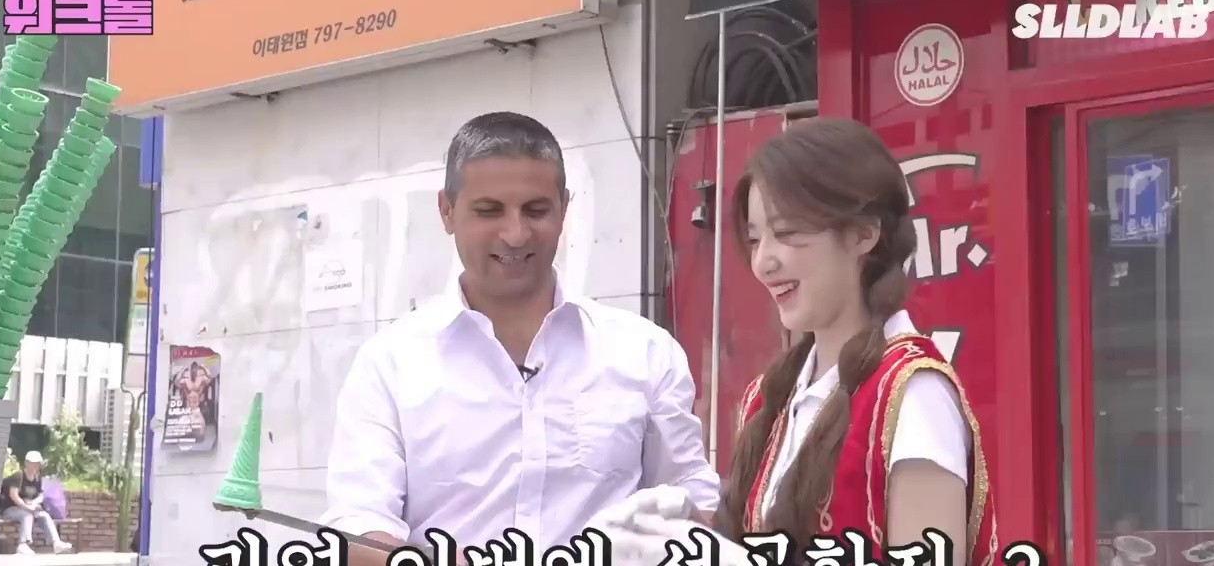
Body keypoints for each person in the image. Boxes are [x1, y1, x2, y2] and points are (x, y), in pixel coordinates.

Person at [593, 118, 999, 566]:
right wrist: (689, 535)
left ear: (864, 233)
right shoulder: (769, 397)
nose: (763, 262)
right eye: (754, 239)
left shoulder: (912, 395)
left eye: (787, 234)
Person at [319, 112, 719, 565]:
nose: (515, 234)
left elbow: (690, 498)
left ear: (564, 208)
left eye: (536, 210)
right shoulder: (389, 365)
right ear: (446, 211)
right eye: (489, 211)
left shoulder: (645, 353)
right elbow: (357, 527)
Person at [0, 451, 73, 555]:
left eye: (37, 463)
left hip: (28, 508)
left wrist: (34, 503)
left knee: (44, 515)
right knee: (27, 515)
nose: (35, 466)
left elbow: (40, 495)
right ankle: (23, 545)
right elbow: (14, 496)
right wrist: (27, 507)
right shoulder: (19, 476)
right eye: (33, 463)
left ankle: (56, 543)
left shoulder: (37, 477)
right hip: (9, 510)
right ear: (27, 463)